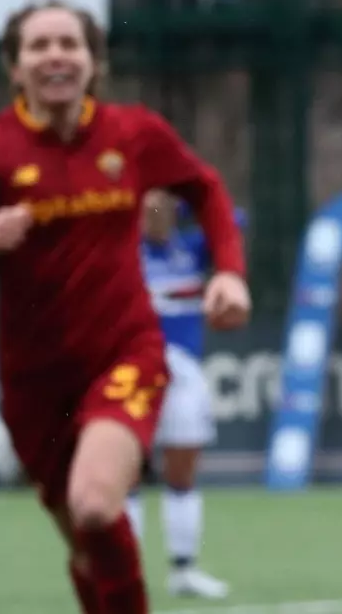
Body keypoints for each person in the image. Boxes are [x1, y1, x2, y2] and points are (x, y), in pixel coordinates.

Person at [0, 0, 250, 614]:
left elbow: (204, 187)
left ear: (95, 62)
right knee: (88, 548)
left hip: (125, 353)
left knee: (97, 503)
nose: (56, 56)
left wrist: (229, 272)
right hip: (33, 384)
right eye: (39, 46)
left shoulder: (133, 134)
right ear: (14, 68)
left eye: (70, 43)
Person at [125, 189, 234, 600]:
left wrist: (181, 201)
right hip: (135, 369)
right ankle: (125, 572)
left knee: (183, 470)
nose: (154, 216)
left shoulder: (189, 250)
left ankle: (183, 569)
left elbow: (232, 219)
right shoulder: (125, 252)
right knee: (127, 473)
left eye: (162, 209)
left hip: (184, 372)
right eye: (146, 209)